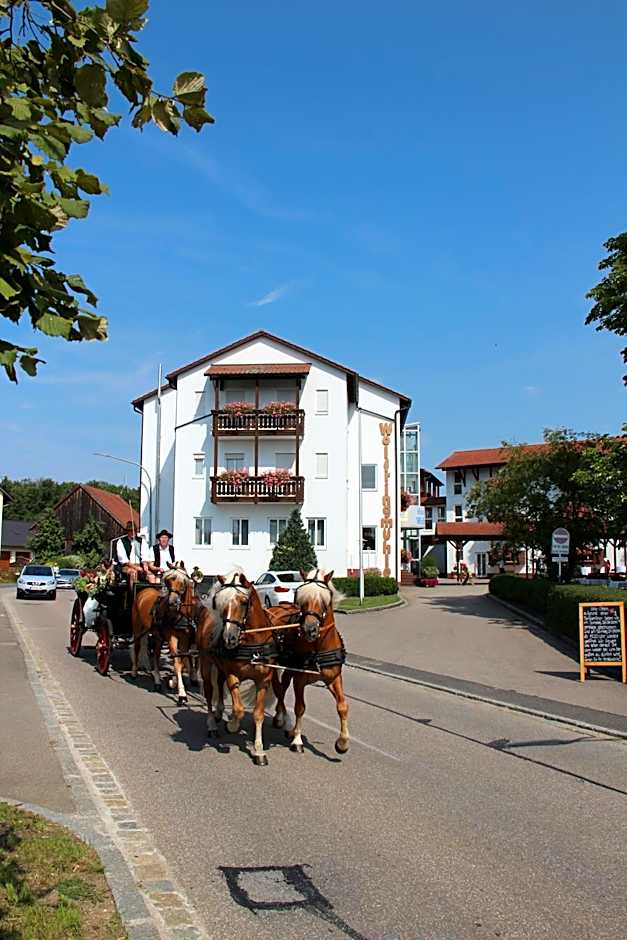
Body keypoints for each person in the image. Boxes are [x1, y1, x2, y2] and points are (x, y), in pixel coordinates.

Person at [114, 520, 147, 591]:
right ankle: (132, 596)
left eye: (134, 531)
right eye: (130, 531)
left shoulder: (142, 541)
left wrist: (145, 565)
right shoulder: (121, 542)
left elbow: (145, 555)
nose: (133, 533)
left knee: (151, 576)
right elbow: (124, 560)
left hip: (140, 566)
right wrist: (136, 567)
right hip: (127, 566)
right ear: (127, 532)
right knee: (133, 573)